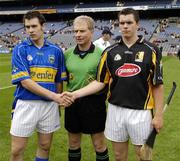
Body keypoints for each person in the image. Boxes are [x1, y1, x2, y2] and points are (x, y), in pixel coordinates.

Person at [64, 8, 164, 161]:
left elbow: (157, 85)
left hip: (141, 111)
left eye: (129, 22)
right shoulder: (109, 52)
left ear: (137, 24)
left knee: (144, 156)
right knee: (118, 156)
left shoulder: (152, 50)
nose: (125, 26)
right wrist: (75, 93)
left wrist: (158, 115)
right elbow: (100, 82)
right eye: (122, 23)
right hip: (115, 110)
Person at [10, 11, 73, 161]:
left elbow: (59, 81)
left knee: (45, 146)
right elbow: (25, 81)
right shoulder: (20, 49)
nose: (30, 30)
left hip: (49, 106)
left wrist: (57, 104)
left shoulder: (56, 51)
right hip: (26, 104)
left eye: (34, 26)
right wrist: (56, 97)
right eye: (27, 27)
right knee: (16, 150)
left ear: (42, 26)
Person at [64, 15, 109, 161]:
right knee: (73, 143)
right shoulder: (68, 54)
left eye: (82, 31)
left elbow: (104, 82)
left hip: (94, 103)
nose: (78, 35)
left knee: (99, 144)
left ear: (92, 31)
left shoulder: (102, 54)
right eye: (75, 31)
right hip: (72, 103)